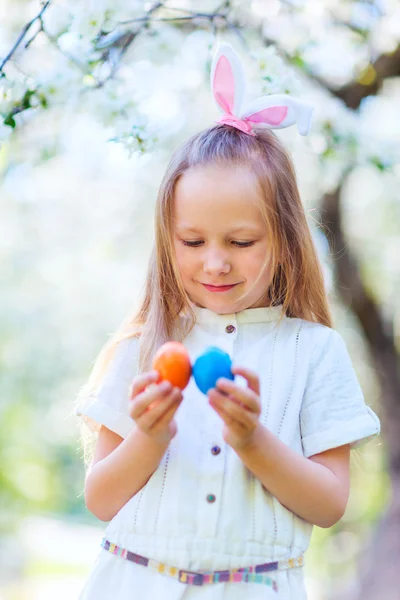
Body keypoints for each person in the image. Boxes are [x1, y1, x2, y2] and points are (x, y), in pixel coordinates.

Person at [74, 42, 380, 600]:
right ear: (168, 242)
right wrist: (150, 434)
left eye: (240, 241)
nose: (215, 261)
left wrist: (252, 438)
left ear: (286, 242)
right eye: (192, 241)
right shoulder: (142, 350)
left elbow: (330, 504)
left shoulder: (314, 352)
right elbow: (101, 500)